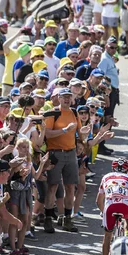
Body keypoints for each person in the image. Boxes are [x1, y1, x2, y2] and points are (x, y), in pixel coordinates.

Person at [44, 87, 87, 234]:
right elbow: (47, 134)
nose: (67, 99)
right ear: (58, 98)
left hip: (71, 153)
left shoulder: (74, 112)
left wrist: (84, 135)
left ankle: (67, 218)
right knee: (53, 187)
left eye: (69, 96)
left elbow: (79, 132)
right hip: (55, 153)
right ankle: (48, 219)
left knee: (70, 187)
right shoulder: (52, 113)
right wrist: (64, 130)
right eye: (64, 97)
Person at [96, 158, 128, 255]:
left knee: (107, 236)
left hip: (110, 206)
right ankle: (127, 237)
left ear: (113, 168)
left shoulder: (106, 177)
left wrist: (103, 212)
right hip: (124, 206)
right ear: (127, 170)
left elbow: (98, 200)